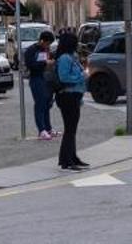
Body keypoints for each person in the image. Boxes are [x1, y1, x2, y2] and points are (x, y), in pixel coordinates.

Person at [53, 32, 89, 170]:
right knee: (69, 129)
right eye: (75, 42)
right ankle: (67, 160)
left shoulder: (72, 57)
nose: (77, 45)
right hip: (67, 96)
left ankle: (71, 157)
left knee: (72, 129)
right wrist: (82, 76)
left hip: (74, 95)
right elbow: (64, 77)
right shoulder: (64, 59)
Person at [25, 31, 55, 141]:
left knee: (47, 104)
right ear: (42, 41)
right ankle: (41, 130)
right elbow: (31, 65)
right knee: (40, 104)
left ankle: (48, 129)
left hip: (45, 78)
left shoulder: (45, 50)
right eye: (47, 43)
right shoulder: (31, 50)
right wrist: (45, 63)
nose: (48, 46)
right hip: (36, 78)